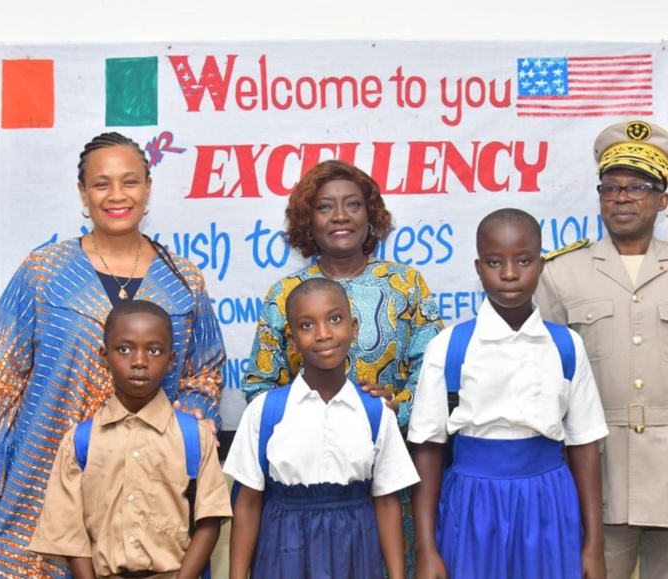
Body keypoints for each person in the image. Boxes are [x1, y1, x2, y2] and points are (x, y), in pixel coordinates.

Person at [0, 132, 226, 579]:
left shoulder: (183, 281)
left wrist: (188, 426)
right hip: (38, 492)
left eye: (130, 181)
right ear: (83, 193)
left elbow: (203, 370)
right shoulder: (45, 273)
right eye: (102, 184)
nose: (117, 195)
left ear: (148, 189)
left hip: (147, 502)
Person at [535, 120, 668, 579]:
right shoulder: (560, 274)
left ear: (662, 200)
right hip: (595, 478)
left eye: (638, 187)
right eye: (610, 187)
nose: (622, 197)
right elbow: (546, 389)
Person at [241, 159, 443, 576]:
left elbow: (434, 372)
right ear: (306, 221)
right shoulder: (285, 294)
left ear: (371, 215)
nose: (340, 216)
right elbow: (260, 386)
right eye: (324, 207)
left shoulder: (405, 283)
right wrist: (313, 423)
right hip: (305, 488)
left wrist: (396, 408)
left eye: (352, 204)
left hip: (389, 473)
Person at [409, 208, 609, 578]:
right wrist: (426, 549)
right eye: (494, 262)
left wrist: (594, 546)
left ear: (542, 264)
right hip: (472, 506)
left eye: (524, 260)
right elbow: (427, 448)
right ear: (477, 266)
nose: (510, 274)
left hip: (548, 503)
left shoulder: (566, 346)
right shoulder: (450, 347)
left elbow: (584, 445)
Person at [226, 278, 419, 579]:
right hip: (283, 552)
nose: (324, 334)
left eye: (335, 319)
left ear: (354, 328)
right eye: (306, 325)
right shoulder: (265, 411)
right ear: (291, 340)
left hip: (355, 552)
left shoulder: (375, 412)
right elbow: (248, 504)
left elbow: (386, 501)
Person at [29, 300, 232, 579]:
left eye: (154, 350)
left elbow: (210, 520)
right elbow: (68, 532)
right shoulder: (80, 441)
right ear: (104, 356)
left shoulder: (193, 436)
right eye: (124, 349)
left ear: (171, 360)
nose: (139, 361)